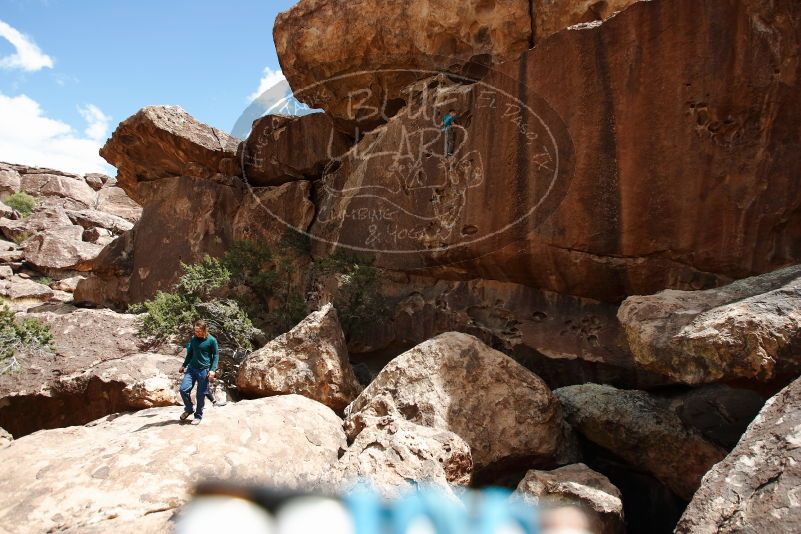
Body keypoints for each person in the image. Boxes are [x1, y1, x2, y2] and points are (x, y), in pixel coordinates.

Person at [179, 319, 220, 425]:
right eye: (195, 331)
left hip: (204, 370)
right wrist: (184, 365)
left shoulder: (211, 340)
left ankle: (198, 416)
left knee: (200, 394)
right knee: (183, 389)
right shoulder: (193, 339)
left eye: (199, 331)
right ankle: (189, 409)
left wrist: (212, 370)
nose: (197, 333)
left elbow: (215, 355)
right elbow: (190, 354)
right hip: (191, 369)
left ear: (204, 330)